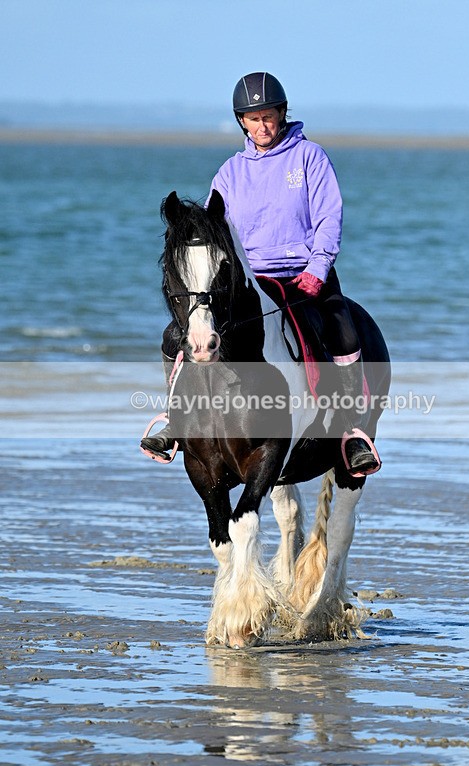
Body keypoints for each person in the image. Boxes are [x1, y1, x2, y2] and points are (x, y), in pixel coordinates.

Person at [141, 71, 380, 476]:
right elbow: (217, 233)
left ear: (283, 114)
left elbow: (329, 217)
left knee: (344, 329)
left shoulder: (310, 158)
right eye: (252, 119)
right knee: (176, 335)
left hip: (304, 275)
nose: (261, 126)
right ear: (241, 122)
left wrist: (318, 269)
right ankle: (175, 420)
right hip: (250, 280)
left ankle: (350, 431)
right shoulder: (230, 173)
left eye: (268, 116)